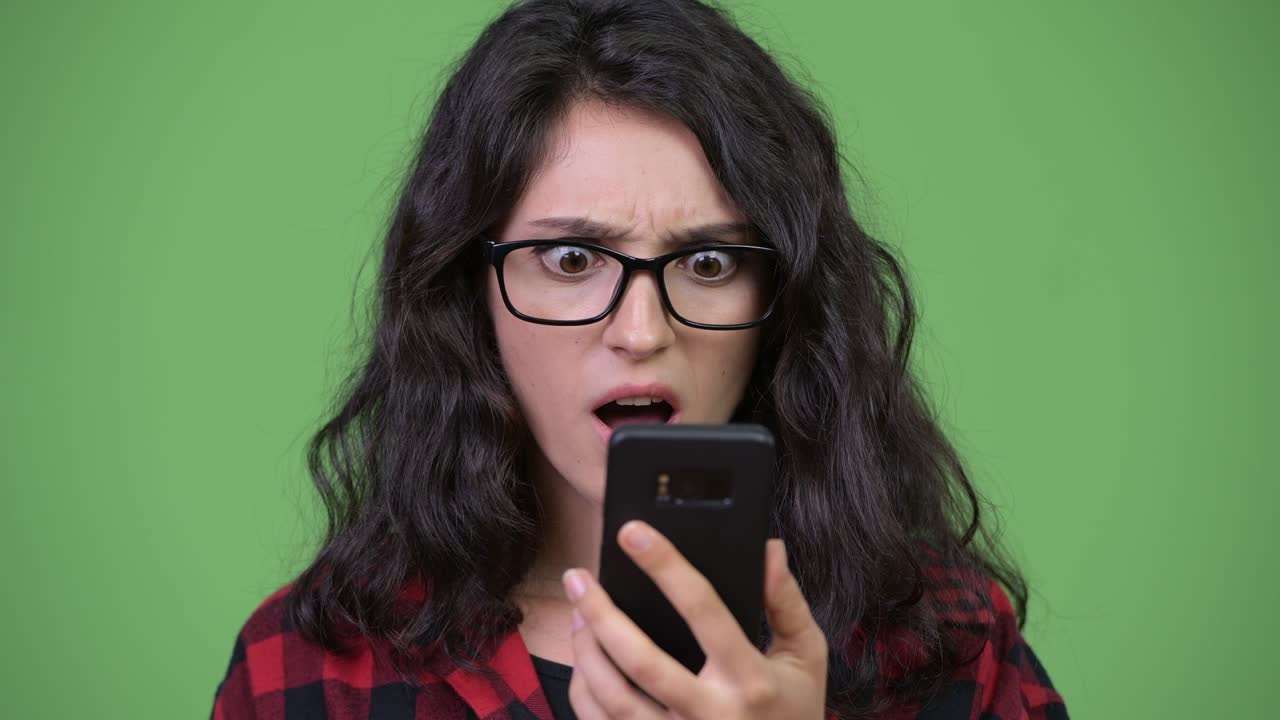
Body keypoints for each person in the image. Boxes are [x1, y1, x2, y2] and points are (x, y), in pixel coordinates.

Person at [211, 0, 1069, 718]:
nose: (641, 330)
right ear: (468, 293)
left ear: (783, 304)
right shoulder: (311, 672)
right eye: (573, 260)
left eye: (707, 264)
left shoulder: (953, 647)